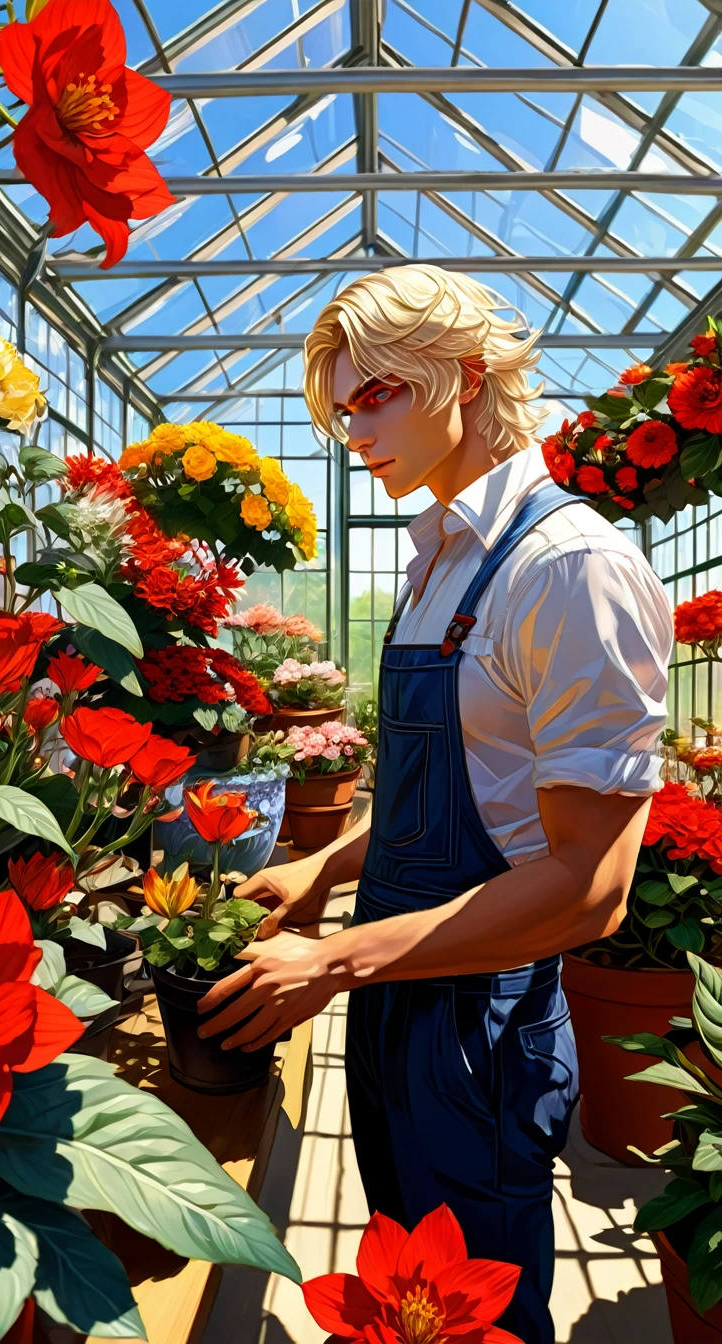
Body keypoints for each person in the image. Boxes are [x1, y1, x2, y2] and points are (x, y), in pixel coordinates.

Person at [197, 265, 673, 1344]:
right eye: (343, 408)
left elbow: (589, 890)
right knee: (405, 1296)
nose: (354, 431)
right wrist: (325, 870)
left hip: (477, 1025)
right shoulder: (443, 558)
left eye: (379, 396)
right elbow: (460, 785)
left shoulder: (567, 570)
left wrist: (335, 959)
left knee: (481, 1308)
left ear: (461, 379)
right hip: (403, 989)